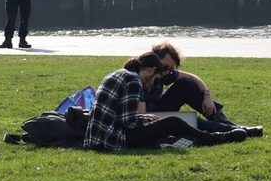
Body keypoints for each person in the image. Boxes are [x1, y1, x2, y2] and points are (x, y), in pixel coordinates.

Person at [83, 52, 248, 151]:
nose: (151, 83)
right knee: (173, 122)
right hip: (112, 141)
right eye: (155, 78)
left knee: (164, 124)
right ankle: (215, 138)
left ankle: (172, 141)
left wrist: (146, 119)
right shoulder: (133, 80)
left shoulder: (120, 73)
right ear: (152, 70)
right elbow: (128, 121)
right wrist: (147, 118)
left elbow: (121, 116)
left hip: (97, 139)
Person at [149, 42, 263, 137]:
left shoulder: (162, 73)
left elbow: (192, 77)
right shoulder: (140, 76)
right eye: (164, 67)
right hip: (149, 119)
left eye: (171, 69)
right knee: (192, 121)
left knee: (186, 84)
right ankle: (234, 130)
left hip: (158, 109)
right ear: (154, 60)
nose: (167, 72)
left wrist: (206, 96)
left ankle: (228, 124)